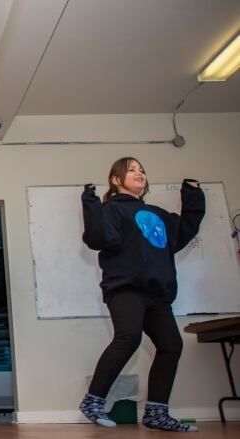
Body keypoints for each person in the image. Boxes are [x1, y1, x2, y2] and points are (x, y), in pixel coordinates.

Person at [79, 157, 204, 432]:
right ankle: (93, 401)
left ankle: (157, 413)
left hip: (157, 293)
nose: (139, 174)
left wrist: (192, 195)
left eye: (142, 170)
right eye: (131, 170)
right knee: (129, 337)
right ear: (115, 179)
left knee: (171, 345)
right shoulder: (112, 210)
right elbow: (98, 238)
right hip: (126, 288)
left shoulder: (157, 214)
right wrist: (91, 205)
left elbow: (184, 230)